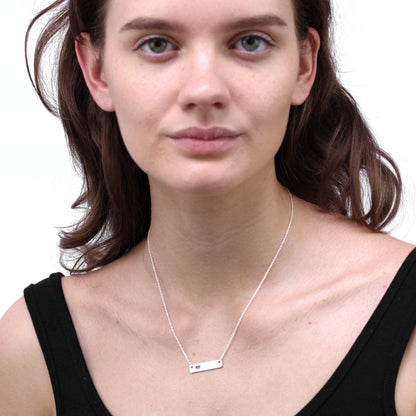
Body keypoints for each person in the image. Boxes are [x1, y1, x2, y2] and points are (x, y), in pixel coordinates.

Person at [1, 0, 415, 414]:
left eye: (250, 42)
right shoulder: (29, 353)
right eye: (157, 44)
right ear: (97, 70)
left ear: (304, 65)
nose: (204, 90)